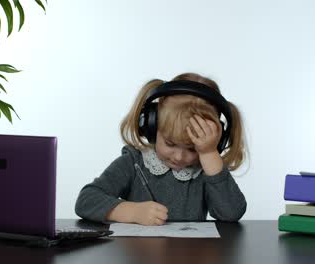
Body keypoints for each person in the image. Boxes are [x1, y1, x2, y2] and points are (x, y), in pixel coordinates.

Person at [75, 73, 247, 226]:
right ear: (151, 127)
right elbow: (86, 201)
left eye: (192, 149)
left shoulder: (205, 169)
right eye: (170, 143)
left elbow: (232, 213)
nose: (179, 157)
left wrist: (209, 154)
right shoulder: (134, 162)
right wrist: (132, 212)